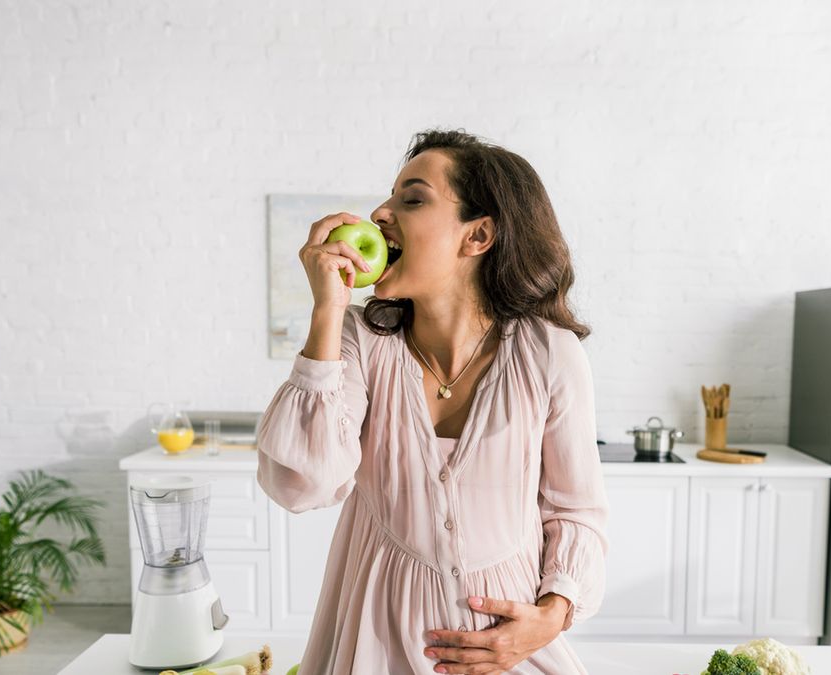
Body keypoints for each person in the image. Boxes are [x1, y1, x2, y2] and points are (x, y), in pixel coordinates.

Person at [256, 128, 608, 674]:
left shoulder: (549, 354)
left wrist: (552, 615)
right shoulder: (359, 341)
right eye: (391, 196)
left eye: (412, 198)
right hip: (371, 643)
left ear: (479, 235)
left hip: (507, 652)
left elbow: (576, 510)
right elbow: (302, 486)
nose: (380, 212)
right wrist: (327, 309)